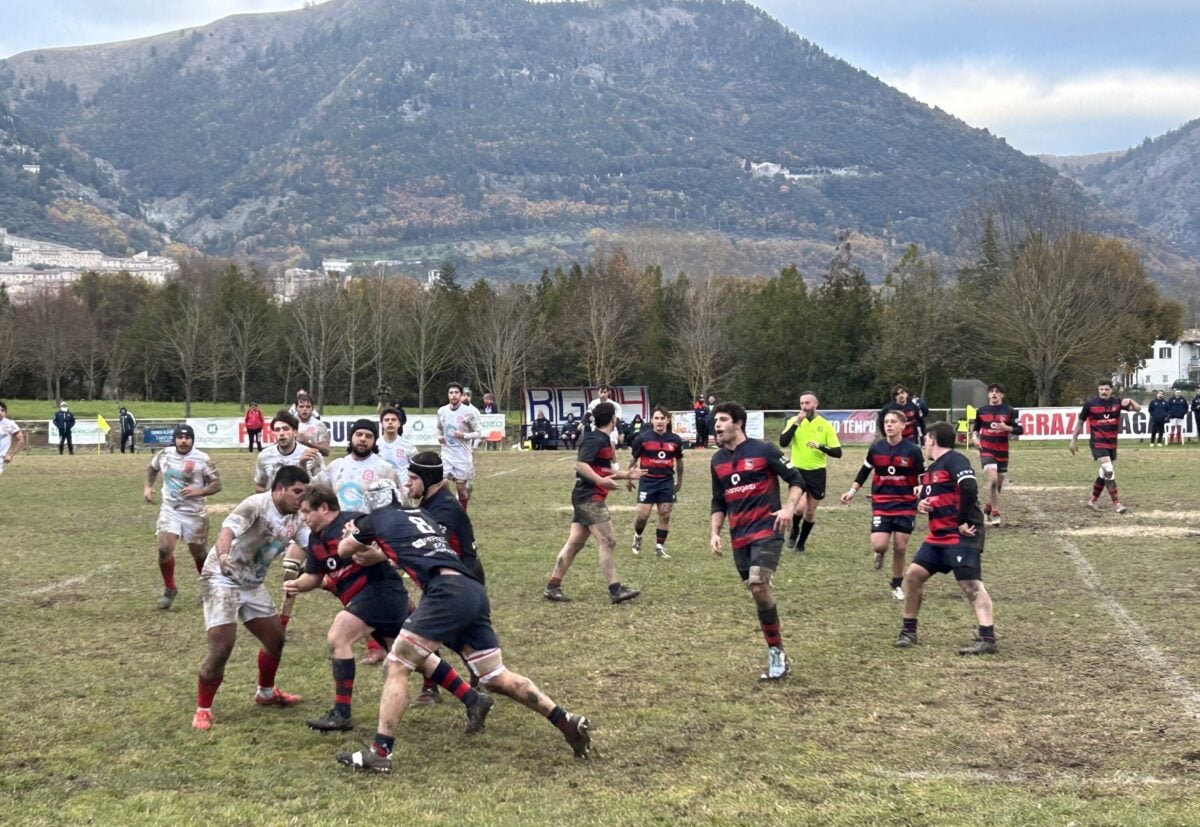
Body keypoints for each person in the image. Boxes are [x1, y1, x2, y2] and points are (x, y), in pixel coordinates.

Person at [335, 495, 591, 772]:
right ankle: (566, 721)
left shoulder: (374, 518)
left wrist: (351, 532)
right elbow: (415, 548)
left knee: (397, 663)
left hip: (445, 592)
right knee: (495, 676)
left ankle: (380, 752)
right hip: (470, 587)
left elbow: (344, 551)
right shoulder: (420, 515)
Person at [288, 483, 462, 733]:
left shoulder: (354, 522)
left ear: (324, 508)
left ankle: (341, 712)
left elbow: (390, 542)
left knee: (339, 636)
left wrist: (376, 553)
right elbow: (314, 577)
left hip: (381, 592)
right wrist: (296, 584)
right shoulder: (316, 540)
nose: (303, 518)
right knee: (414, 654)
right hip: (372, 599)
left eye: (306, 511)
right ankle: (472, 698)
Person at [191, 465, 312, 731]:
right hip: (221, 577)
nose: (301, 499)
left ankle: (266, 694)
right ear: (280, 489)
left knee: (275, 639)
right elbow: (227, 533)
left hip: (251, 583)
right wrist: (223, 557)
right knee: (222, 646)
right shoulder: (256, 505)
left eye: (304, 494)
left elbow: (313, 545)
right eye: (296, 492)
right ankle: (203, 709)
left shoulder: (296, 517)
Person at [710, 401, 805, 681]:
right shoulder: (716, 460)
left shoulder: (764, 450)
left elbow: (796, 479)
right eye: (716, 420)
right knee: (757, 592)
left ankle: (776, 654)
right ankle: (775, 645)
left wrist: (788, 509)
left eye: (723, 419)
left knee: (757, 584)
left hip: (768, 528)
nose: (717, 425)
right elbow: (718, 501)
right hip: (739, 536)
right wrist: (714, 532)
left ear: (738, 423)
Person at [895, 421, 996, 655]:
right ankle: (909, 631)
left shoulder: (955, 460)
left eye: (925, 440)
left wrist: (961, 520)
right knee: (912, 576)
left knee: (970, 584)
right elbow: (933, 497)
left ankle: (988, 638)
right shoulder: (932, 469)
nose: (924, 444)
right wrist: (922, 504)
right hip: (938, 535)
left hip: (962, 533)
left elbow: (969, 487)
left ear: (932, 439)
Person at [407, 451, 488, 704]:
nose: (407, 482)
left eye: (412, 478)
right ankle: (481, 675)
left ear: (428, 480)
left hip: (459, 579)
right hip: (452, 577)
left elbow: (430, 546)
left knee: (421, 634)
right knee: (458, 636)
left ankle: (432, 688)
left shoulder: (443, 509)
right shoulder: (430, 503)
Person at [544, 401, 643, 605]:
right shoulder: (594, 439)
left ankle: (553, 586)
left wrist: (626, 474)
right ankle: (615, 589)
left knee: (575, 542)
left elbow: (603, 470)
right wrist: (600, 481)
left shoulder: (604, 440)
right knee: (608, 541)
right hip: (589, 497)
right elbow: (581, 465)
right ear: (613, 419)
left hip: (587, 496)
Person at [840, 410, 924, 600]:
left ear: (903, 425)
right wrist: (852, 491)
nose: (889, 425)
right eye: (886, 422)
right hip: (882, 503)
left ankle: (896, 584)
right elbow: (864, 471)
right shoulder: (876, 448)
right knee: (879, 545)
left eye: (893, 421)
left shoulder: (913, 450)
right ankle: (880, 554)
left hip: (905, 504)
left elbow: (921, 477)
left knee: (900, 547)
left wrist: (921, 491)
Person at [145, 424, 223, 610]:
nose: (183, 440)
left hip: (194, 513)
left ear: (192, 440)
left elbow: (217, 484)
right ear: (174, 439)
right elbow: (152, 467)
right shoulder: (164, 454)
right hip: (170, 509)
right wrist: (148, 486)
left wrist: (200, 490)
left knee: (199, 553)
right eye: (179, 437)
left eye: (187, 437)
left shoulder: (202, 459)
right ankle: (170, 588)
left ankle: (208, 587)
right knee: (164, 548)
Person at [779, 391, 842, 553]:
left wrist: (820, 446)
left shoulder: (825, 425)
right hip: (797, 471)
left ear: (816, 404)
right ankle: (794, 531)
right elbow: (783, 442)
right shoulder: (794, 421)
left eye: (807, 403)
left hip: (817, 472)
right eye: (801, 403)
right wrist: (796, 423)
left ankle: (801, 543)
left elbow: (837, 452)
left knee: (810, 511)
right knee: (798, 508)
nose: (804, 406)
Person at [1069, 379, 1140, 514]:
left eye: (1106, 389)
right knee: (1108, 469)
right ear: (1098, 390)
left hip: (1112, 443)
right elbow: (1080, 422)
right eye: (1101, 389)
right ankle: (1117, 504)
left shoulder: (1117, 402)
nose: (1104, 392)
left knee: (1104, 473)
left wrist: (1130, 400)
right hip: (1097, 441)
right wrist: (1073, 440)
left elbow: (1137, 409)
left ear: (1111, 390)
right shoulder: (1090, 404)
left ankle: (1092, 500)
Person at [629, 406, 684, 560]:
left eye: (662, 418)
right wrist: (628, 476)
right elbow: (634, 459)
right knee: (642, 515)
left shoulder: (675, 440)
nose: (659, 421)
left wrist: (679, 481)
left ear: (667, 420)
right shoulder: (642, 438)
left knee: (665, 514)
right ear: (652, 420)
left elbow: (679, 462)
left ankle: (659, 547)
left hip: (666, 481)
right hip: (647, 480)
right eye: (656, 418)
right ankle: (638, 536)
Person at [315, 419, 399, 514]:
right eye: (359, 434)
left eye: (368, 436)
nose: (363, 439)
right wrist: (303, 465)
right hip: (339, 525)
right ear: (351, 437)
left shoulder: (385, 469)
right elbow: (314, 490)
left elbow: (395, 504)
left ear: (374, 441)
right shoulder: (336, 466)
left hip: (369, 526)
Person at [970, 383, 1024, 526]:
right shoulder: (981, 411)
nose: (994, 394)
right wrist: (975, 438)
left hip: (1002, 450)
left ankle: (988, 507)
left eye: (997, 392)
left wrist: (1007, 427)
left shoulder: (1010, 411)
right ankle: (996, 512)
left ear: (1002, 395)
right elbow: (975, 429)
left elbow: (1020, 430)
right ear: (988, 394)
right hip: (987, 449)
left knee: (998, 484)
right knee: (993, 480)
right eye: (992, 391)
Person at [436, 382, 483, 510]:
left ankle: (463, 511)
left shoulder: (469, 412)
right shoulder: (442, 411)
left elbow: (479, 433)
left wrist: (464, 435)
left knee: (461, 489)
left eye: (456, 393)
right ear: (448, 395)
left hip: (463, 455)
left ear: (461, 395)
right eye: (451, 393)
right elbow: (439, 429)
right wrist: (439, 437)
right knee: (443, 483)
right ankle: (450, 508)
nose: (453, 395)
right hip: (447, 453)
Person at [254, 410, 325, 493]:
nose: (281, 433)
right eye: (277, 430)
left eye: (285, 429)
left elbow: (322, 489)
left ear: (295, 433)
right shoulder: (264, 456)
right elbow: (260, 486)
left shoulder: (311, 455)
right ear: (273, 433)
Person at [377, 407, 415, 484]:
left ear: (399, 423)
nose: (390, 422)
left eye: (393, 420)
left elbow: (416, 468)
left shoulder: (408, 446)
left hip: (404, 488)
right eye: (386, 420)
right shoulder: (375, 446)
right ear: (381, 424)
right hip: (382, 487)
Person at [0, 401, 25, 478]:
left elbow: (20, 440)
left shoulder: (9, 424)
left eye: (2, 410)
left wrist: (10, 454)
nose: (0, 412)